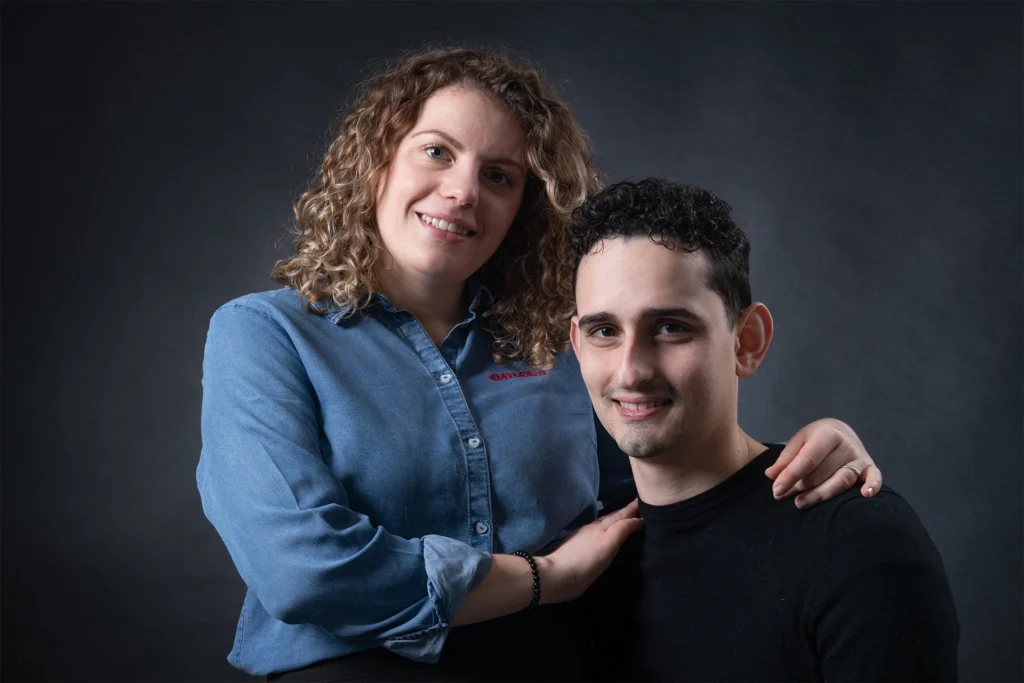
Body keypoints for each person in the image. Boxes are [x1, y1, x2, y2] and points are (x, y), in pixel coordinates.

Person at [197, 48, 884, 682]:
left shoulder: (560, 347)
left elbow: (663, 489)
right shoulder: (264, 336)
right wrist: (542, 576)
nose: (463, 191)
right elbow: (303, 569)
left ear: (523, 206)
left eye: (499, 176)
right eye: (437, 152)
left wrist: (801, 461)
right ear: (378, 160)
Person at [570, 178, 960, 681]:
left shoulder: (856, 541)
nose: (630, 371)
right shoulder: (579, 553)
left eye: (670, 327)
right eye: (606, 332)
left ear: (746, 341)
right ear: (578, 347)